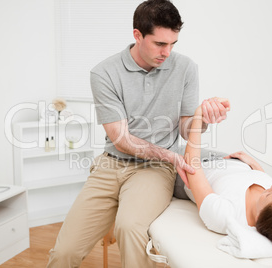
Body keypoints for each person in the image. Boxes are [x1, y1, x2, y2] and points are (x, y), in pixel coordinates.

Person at [47, 1, 230, 267]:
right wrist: (171, 155)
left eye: (172, 44)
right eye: (159, 44)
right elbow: (121, 138)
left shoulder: (186, 68)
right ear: (137, 35)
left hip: (154, 170)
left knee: (130, 228)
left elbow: (186, 127)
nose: (167, 52)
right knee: (64, 251)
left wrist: (204, 117)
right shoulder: (104, 72)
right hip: (110, 165)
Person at [184, 105, 272, 251]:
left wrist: (198, 117)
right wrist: (253, 164)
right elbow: (267, 182)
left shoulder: (227, 215)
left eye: (270, 194)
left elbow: (193, 166)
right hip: (229, 161)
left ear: (261, 215)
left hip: (191, 167)